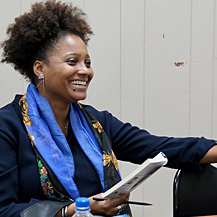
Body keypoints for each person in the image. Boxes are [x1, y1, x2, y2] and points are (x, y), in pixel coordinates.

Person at [0, 0, 217, 217]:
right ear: (40, 68)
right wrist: (75, 210)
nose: (85, 71)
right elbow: (4, 209)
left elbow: (160, 147)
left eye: (87, 62)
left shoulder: (96, 123)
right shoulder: (8, 126)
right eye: (72, 61)